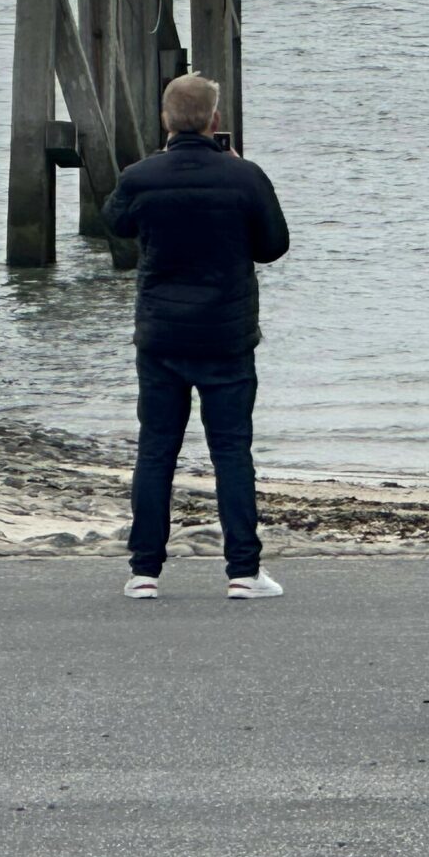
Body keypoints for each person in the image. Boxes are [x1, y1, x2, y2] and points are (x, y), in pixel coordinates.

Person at [104, 73, 291, 601]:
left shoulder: (141, 177)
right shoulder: (245, 176)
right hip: (226, 335)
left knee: (156, 449)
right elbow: (273, 245)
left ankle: (144, 570)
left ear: (166, 119)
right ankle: (243, 571)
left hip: (161, 335)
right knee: (231, 451)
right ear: (215, 121)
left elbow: (114, 225)